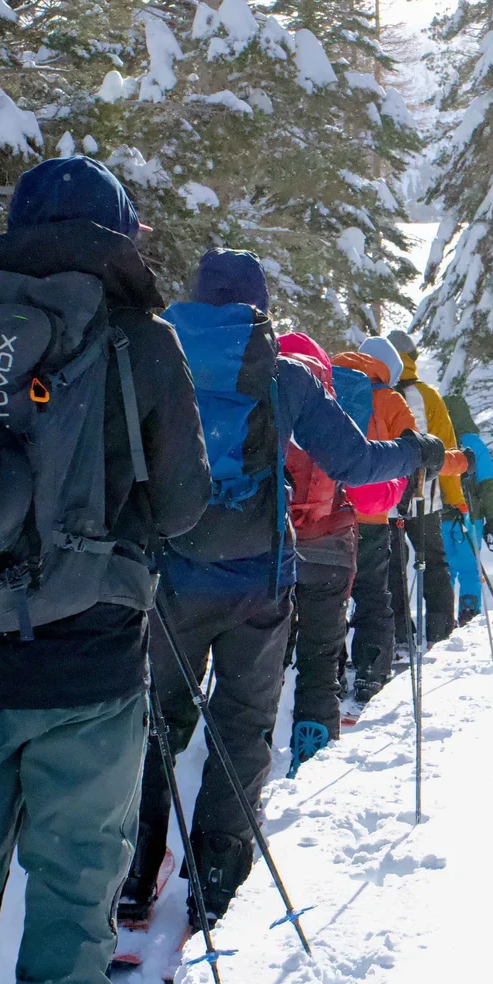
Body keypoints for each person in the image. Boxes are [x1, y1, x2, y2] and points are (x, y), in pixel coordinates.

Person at [0, 157, 210, 984]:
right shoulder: (143, 339)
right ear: (120, 231)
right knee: (72, 903)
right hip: (89, 665)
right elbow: (181, 505)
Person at [122, 250, 445, 928]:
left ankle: (131, 874)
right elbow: (354, 462)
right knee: (242, 727)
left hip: (170, 577)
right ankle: (215, 882)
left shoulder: (152, 355)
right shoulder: (285, 373)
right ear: (257, 306)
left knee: (155, 723)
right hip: (256, 581)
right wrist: (416, 453)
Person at [278, 331, 406, 769]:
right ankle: (315, 744)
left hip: (264, 543)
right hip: (333, 538)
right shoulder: (335, 396)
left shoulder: (255, 392)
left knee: (261, 654)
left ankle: (249, 748)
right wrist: (401, 482)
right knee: (326, 646)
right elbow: (365, 482)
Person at [332, 337, 419, 704]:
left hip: (329, 511)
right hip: (372, 512)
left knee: (330, 595)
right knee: (372, 594)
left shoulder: (327, 385)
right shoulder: (391, 399)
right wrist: (407, 493)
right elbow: (413, 450)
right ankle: (371, 671)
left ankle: (330, 673)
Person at [385, 328, 468, 646]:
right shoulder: (428, 396)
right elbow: (446, 451)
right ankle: (441, 628)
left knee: (392, 565)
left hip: (384, 500)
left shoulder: (374, 392)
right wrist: (456, 498)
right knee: (433, 560)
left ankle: (399, 630)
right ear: (412, 359)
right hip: (425, 498)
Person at [442, 394, 493, 624]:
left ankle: (442, 616)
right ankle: (468, 612)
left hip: (440, 517)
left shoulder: (439, 442)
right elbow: (486, 487)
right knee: (469, 568)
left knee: (444, 570)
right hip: (469, 517)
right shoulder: (475, 445)